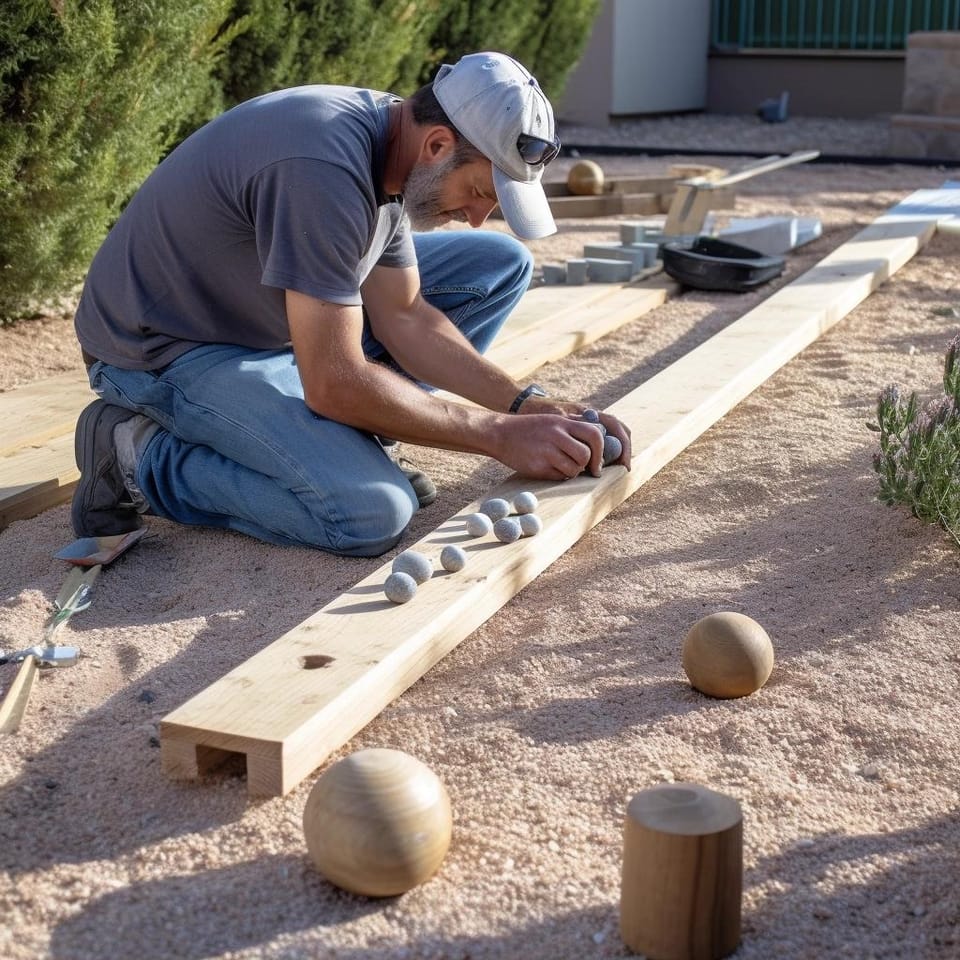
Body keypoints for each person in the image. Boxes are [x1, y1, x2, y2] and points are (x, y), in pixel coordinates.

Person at [72, 51, 631, 557]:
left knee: (496, 263)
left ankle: (351, 433)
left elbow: (405, 313)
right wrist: (494, 435)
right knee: (368, 513)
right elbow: (334, 379)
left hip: (269, 320)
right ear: (438, 146)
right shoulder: (323, 170)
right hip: (166, 348)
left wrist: (521, 405)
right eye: (481, 192)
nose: (478, 214)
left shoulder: (395, 149)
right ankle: (134, 456)